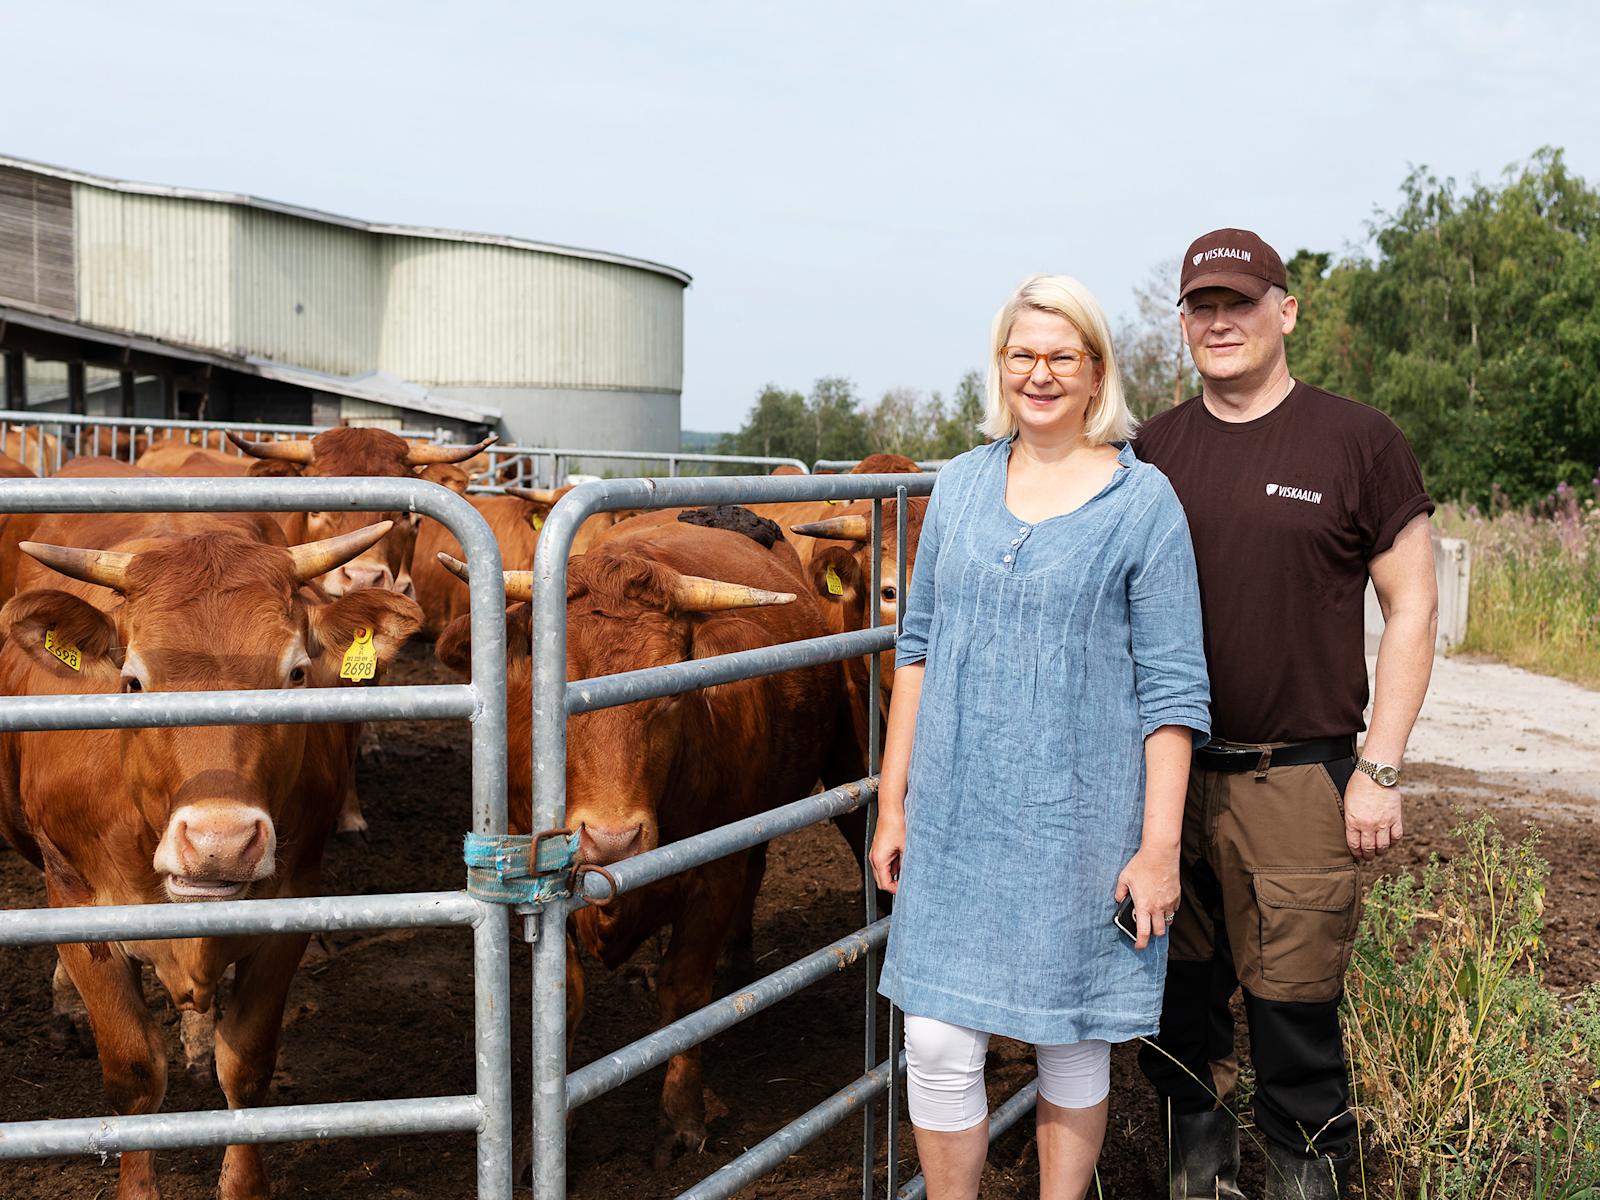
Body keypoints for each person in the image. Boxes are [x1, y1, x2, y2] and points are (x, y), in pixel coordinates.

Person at [871, 274, 1212, 1200]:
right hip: (958, 814)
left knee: (1070, 1037)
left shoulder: (1144, 506)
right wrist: (892, 803)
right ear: (1001, 367)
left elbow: (1174, 692)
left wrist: (1158, 848)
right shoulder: (960, 486)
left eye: (1063, 356)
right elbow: (918, 652)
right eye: (1024, 355)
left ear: (1097, 371)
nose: (1041, 374)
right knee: (938, 1040)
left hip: (1082, 820)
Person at [1133, 229, 1438, 1200]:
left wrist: (1378, 766)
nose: (1219, 323)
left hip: (1297, 778)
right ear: (1182, 323)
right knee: (1181, 1014)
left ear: (1285, 310)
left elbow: (1412, 605)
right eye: (1200, 307)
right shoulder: (1153, 450)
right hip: (1169, 783)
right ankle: (1198, 1179)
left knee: (1293, 1017)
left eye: (1239, 303)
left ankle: (1308, 1182)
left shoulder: (1356, 442)